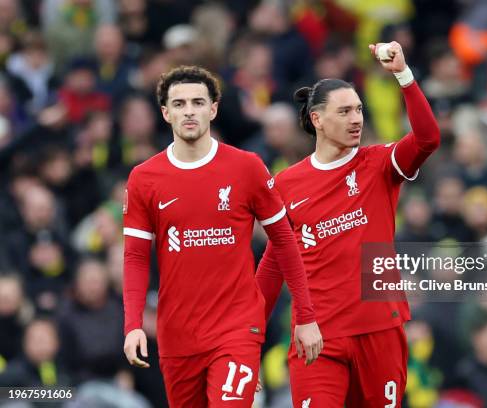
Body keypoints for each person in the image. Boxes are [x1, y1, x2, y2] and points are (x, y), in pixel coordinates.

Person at [121, 65, 322, 407]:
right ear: (165, 113)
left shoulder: (246, 167)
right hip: (178, 335)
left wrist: (305, 316)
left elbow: (285, 240)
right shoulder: (144, 178)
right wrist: (133, 324)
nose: (189, 111)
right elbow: (136, 256)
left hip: (236, 328)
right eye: (180, 103)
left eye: (198, 102)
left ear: (213, 109)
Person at [256, 42, 440, 406]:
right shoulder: (286, 185)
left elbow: (428, 138)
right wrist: (248, 339)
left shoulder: (378, 164)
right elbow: (274, 264)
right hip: (317, 335)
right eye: (344, 112)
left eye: (358, 109)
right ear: (317, 120)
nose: (356, 119)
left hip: (379, 330)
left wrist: (404, 76)